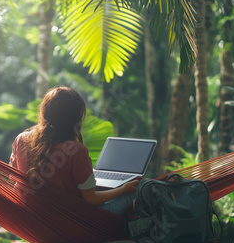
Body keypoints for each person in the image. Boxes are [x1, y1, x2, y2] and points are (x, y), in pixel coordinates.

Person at [9, 86, 138, 215]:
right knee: (135, 192)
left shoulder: (21, 140)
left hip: (30, 217)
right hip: (70, 221)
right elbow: (91, 199)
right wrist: (123, 189)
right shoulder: (76, 150)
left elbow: (13, 177)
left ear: (44, 112)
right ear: (75, 118)